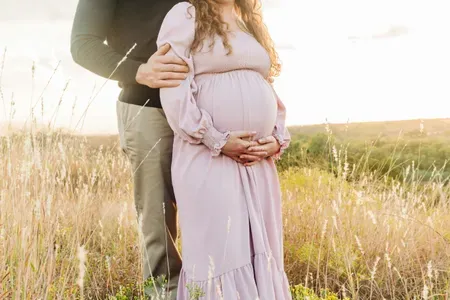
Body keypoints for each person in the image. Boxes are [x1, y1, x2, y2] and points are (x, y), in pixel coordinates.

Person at [70, 0, 282, 298]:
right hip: (148, 108)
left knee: (219, 220)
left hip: (208, 117)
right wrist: (139, 71)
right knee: (158, 219)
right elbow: (82, 44)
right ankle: (164, 294)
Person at [154, 0, 292, 299]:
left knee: (260, 249)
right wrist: (215, 138)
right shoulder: (186, 14)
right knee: (219, 252)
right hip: (207, 154)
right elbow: (173, 87)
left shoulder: (249, 19)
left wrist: (277, 139)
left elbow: (265, 85)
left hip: (257, 163)